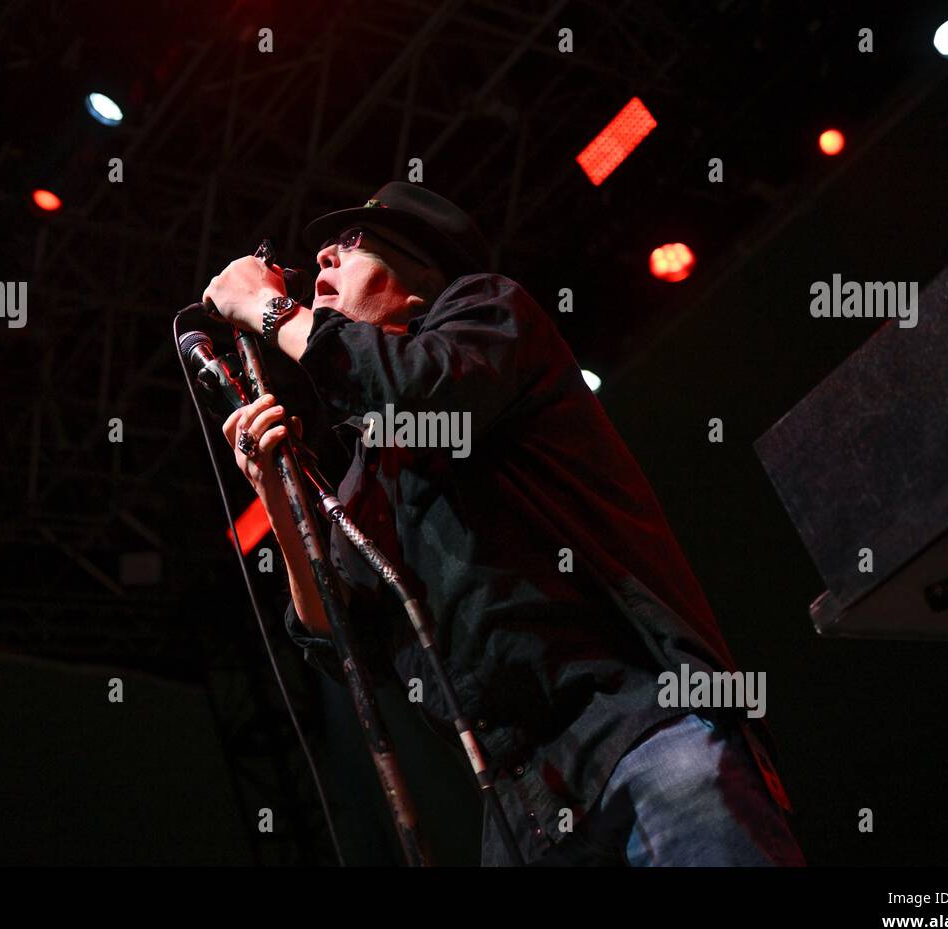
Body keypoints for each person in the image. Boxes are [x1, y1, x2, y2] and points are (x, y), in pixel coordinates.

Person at [201, 181, 805, 866]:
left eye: (352, 246)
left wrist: (268, 308)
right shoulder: (366, 475)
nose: (322, 262)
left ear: (419, 288)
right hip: (526, 812)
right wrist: (279, 500)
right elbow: (343, 639)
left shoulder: (488, 317)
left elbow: (422, 391)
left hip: (639, 727)